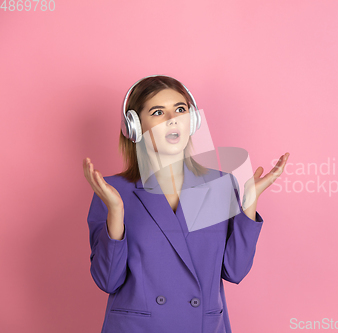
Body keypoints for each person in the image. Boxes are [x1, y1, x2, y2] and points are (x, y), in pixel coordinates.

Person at [82, 75, 290, 333]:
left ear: (193, 121)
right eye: (158, 112)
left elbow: (234, 271)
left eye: (180, 109)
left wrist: (248, 203)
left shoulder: (220, 185)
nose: (173, 119)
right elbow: (108, 280)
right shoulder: (114, 191)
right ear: (135, 126)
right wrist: (116, 211)